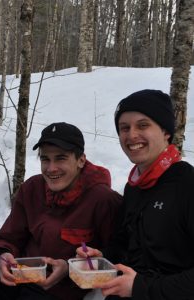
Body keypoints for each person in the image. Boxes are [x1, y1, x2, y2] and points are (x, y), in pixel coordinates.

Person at [0, 122, 122, 300]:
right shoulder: (32, 188)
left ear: (81, 160)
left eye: (61, 158)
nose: (51, 168)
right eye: (45, 159)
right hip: (19, 277)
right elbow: (10, 237)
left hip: (58, 292)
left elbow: (116, 254)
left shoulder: (103, 199)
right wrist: (2, 255)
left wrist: (69, 268)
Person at [76, 89, 194, 299]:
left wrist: (141, 287)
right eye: (124, 128)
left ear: (166, 132)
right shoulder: (134, 186)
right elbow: (124, 243)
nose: (131, 135)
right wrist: (102, 256)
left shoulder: (187, 184)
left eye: (143, 125)